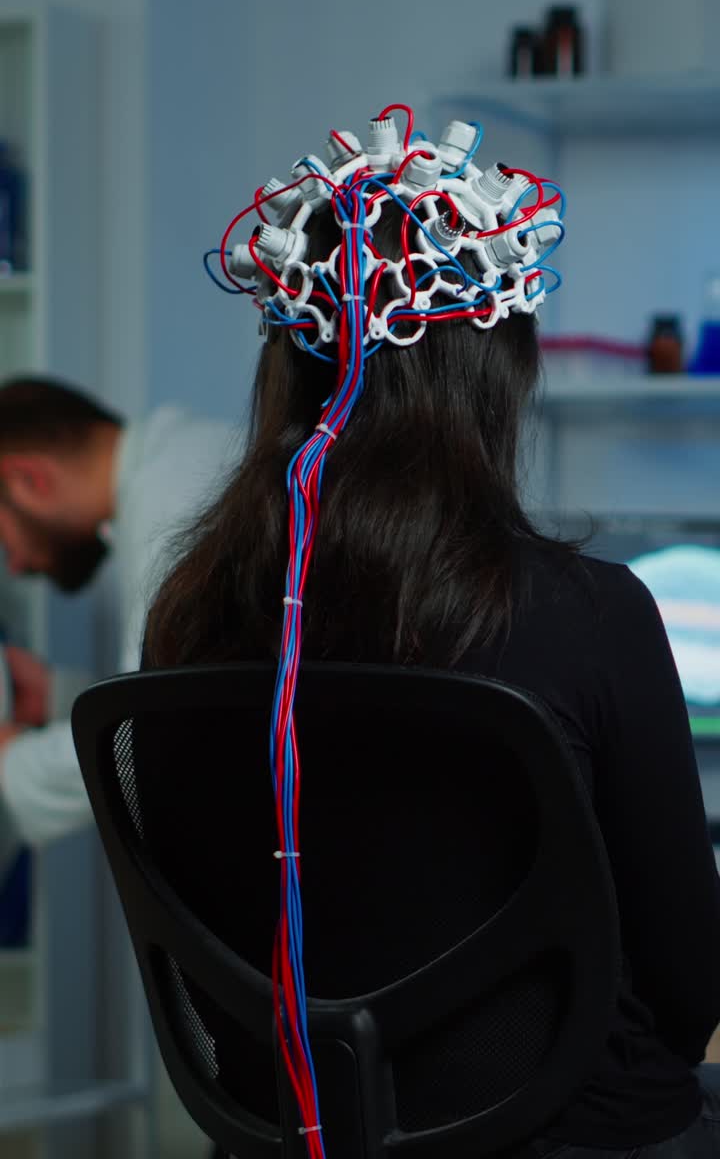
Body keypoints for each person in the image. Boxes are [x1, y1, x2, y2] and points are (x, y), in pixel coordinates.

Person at [142, 105, 720, 1156]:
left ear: (286, 361)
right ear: (500, 377)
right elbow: (690, 987)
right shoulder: (591, 615)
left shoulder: (188, 614)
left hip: (287, 1129)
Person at [0, 376, 240, 846]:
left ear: (30, 479)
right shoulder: (178, 463)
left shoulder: (171, 506)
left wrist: (10, 763)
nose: (16, 563)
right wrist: (59, 698)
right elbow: (207, 697)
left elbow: (150, 741)